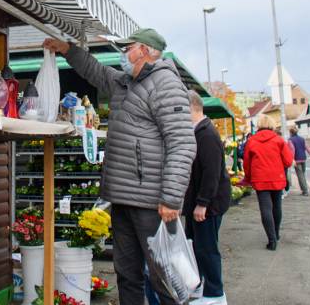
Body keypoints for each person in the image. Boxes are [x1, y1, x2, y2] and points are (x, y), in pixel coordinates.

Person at [43, 28, 196, 305]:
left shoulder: (166, 85)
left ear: (145, 51)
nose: (122, 54)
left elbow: (182, 143)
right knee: (126, 274)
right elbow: (96, 71)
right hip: (122, 197)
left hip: (152, 201)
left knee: (165, 277)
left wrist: (171, 198)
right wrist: (67, 50)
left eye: (128, 48)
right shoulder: (125, 82)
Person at [183, 90, 230, 305]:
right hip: (201, 202)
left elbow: (212, 173)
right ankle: (204, 287)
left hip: (208, 205)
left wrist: (202, 203)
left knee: (207, 249)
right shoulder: (199, 131)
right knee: (197, 247)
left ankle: (215, 294)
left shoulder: (206, 134)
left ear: (191, 107)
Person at [242, 114, 293, 250]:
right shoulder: (278, 140)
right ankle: (276, 233)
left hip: (260, 179)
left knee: (265, 209)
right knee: (277, 207)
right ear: (272, 125)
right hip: (277, 178)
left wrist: (248, 178)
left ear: (259, 125)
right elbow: (288, 161)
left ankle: (271, 240)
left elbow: (246, 163)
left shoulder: (251, 141)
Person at [288, 126, 310, 196]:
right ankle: (304, 190)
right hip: (303, 159)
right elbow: (307, 148)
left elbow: (292, 150)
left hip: (297, 160)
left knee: (300, 176)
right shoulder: (302, 139)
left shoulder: (290, 140)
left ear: (291, 132)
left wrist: (292, 160)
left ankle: (305, 191)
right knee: (302, 175)